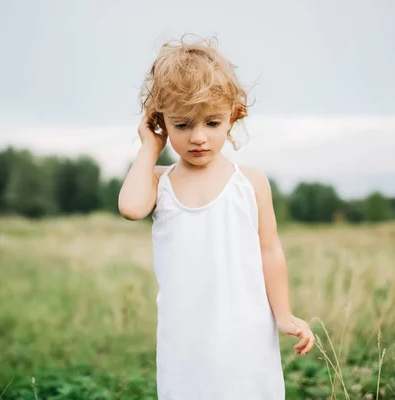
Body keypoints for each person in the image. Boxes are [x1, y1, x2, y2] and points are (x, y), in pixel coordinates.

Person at [118, 35, 315, 399]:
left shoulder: (251, 183)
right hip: (185, 340)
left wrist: (284, 315)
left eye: (212, 123)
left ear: (233, 116)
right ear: (160, 122)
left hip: (247, 334)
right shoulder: (160, 182)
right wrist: (150, 146)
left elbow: (270, 252)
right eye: (181, 125)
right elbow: (131, 208)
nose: (198, 138)